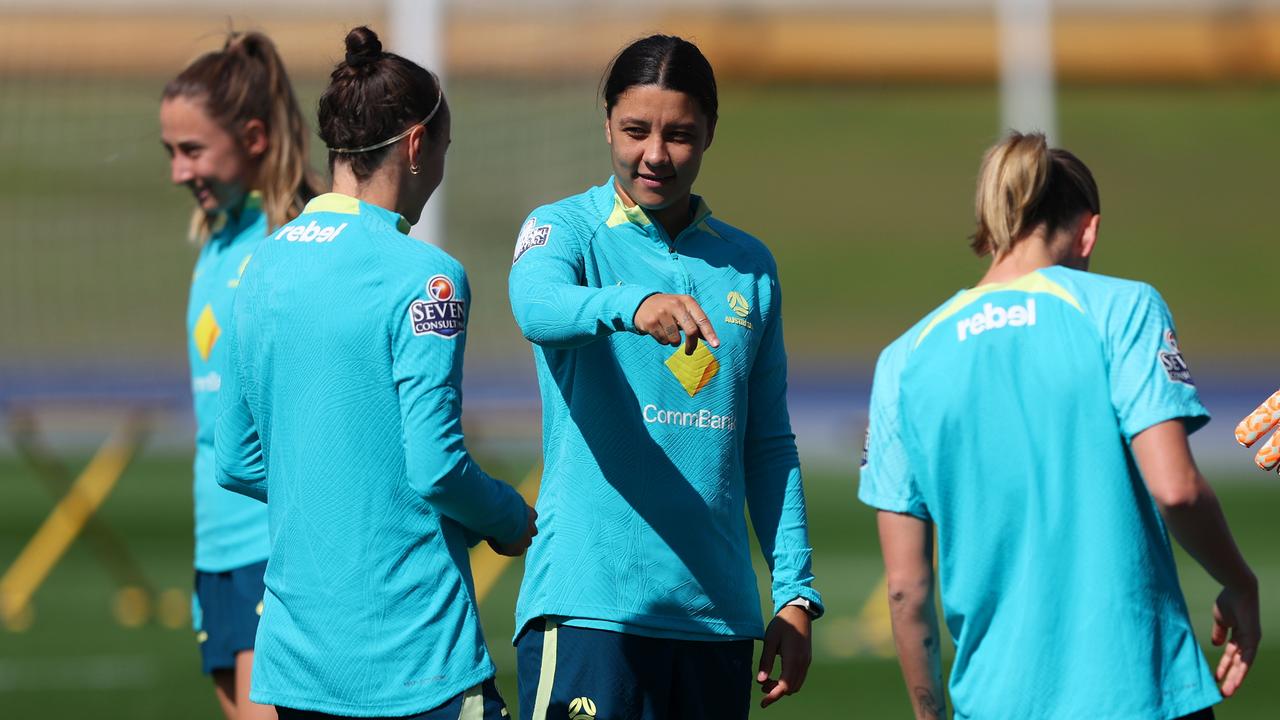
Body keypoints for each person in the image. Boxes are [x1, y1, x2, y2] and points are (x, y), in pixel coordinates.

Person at [860, 131, 1260, 719]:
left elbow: (905, 588)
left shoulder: (903, 359)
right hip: (1138, 692)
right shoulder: (1123, 307)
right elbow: (1174, 487)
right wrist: (1238, 582)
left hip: (994, 702)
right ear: (1089, 230)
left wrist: (929, 713)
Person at [214, 26, 537, 719]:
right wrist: (512, 517)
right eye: (444, 150)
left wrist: (333, 486)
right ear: (417, 145)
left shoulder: (259, 267)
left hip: (297, 664)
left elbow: (236, 461)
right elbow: (437, 468)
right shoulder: (429, 278)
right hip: (416, 660)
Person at [507, 34, 822, 720]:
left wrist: (795, 594)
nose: (655, 154)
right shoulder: (565, 230)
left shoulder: (749, 265)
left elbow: (767, 442)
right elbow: (536, 307)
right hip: (591, 611)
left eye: (679, 134)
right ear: (606, 123)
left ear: (710, 132)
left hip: (715, 623)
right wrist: (632, 304)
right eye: (635, 130)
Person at [160, 30, 321, 720]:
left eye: (191, 150)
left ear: (254, 137)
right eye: (169, 151)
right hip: (218, 547)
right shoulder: (216, 239)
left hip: (275, 545)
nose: (176, 171)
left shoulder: (298, 241)